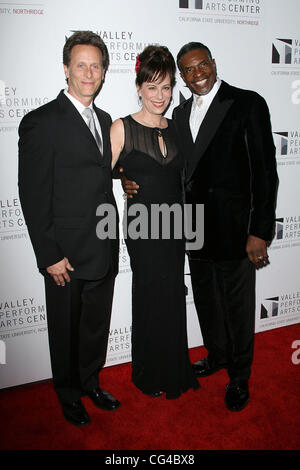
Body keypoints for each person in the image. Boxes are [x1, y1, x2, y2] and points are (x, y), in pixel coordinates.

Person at [123, 42, 278, 411]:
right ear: (182, 77)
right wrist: (125, 175)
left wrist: (260, 230)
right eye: (189, 70)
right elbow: (161, 161)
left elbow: (266, 172)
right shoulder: (177, 115)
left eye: (202, 65)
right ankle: (217, 355)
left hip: (237, 232)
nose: (198, 74)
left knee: (238, 307)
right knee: (207, 303)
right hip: (192, 230)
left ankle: (239, 376)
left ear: (213, 63)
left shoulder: (246, 103)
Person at [18, 31, 120, 426]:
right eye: (81, 64)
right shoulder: (41, 122)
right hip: (64, 252)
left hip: (103, 245)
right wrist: (48, 255)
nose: (89, 72)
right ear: (66, 69)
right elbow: (32, 193)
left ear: (104, 72)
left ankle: (91, 382)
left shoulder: (106, 119)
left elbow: (98, 176)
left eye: (96, 65)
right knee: (65, 328)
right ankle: (68, 393)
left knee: (95, 325)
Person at [110, 45, 199, 399]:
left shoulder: (177, 127)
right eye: (152, 88)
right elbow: (94, 173)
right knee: (150, 294)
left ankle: (175, 367)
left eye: (166, 87)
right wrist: (120, 176)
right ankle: (149, 372)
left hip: (175, 226)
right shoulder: (122, 127)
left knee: (173, 294)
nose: (159, 96)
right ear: (138, 87)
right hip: (143, 228)